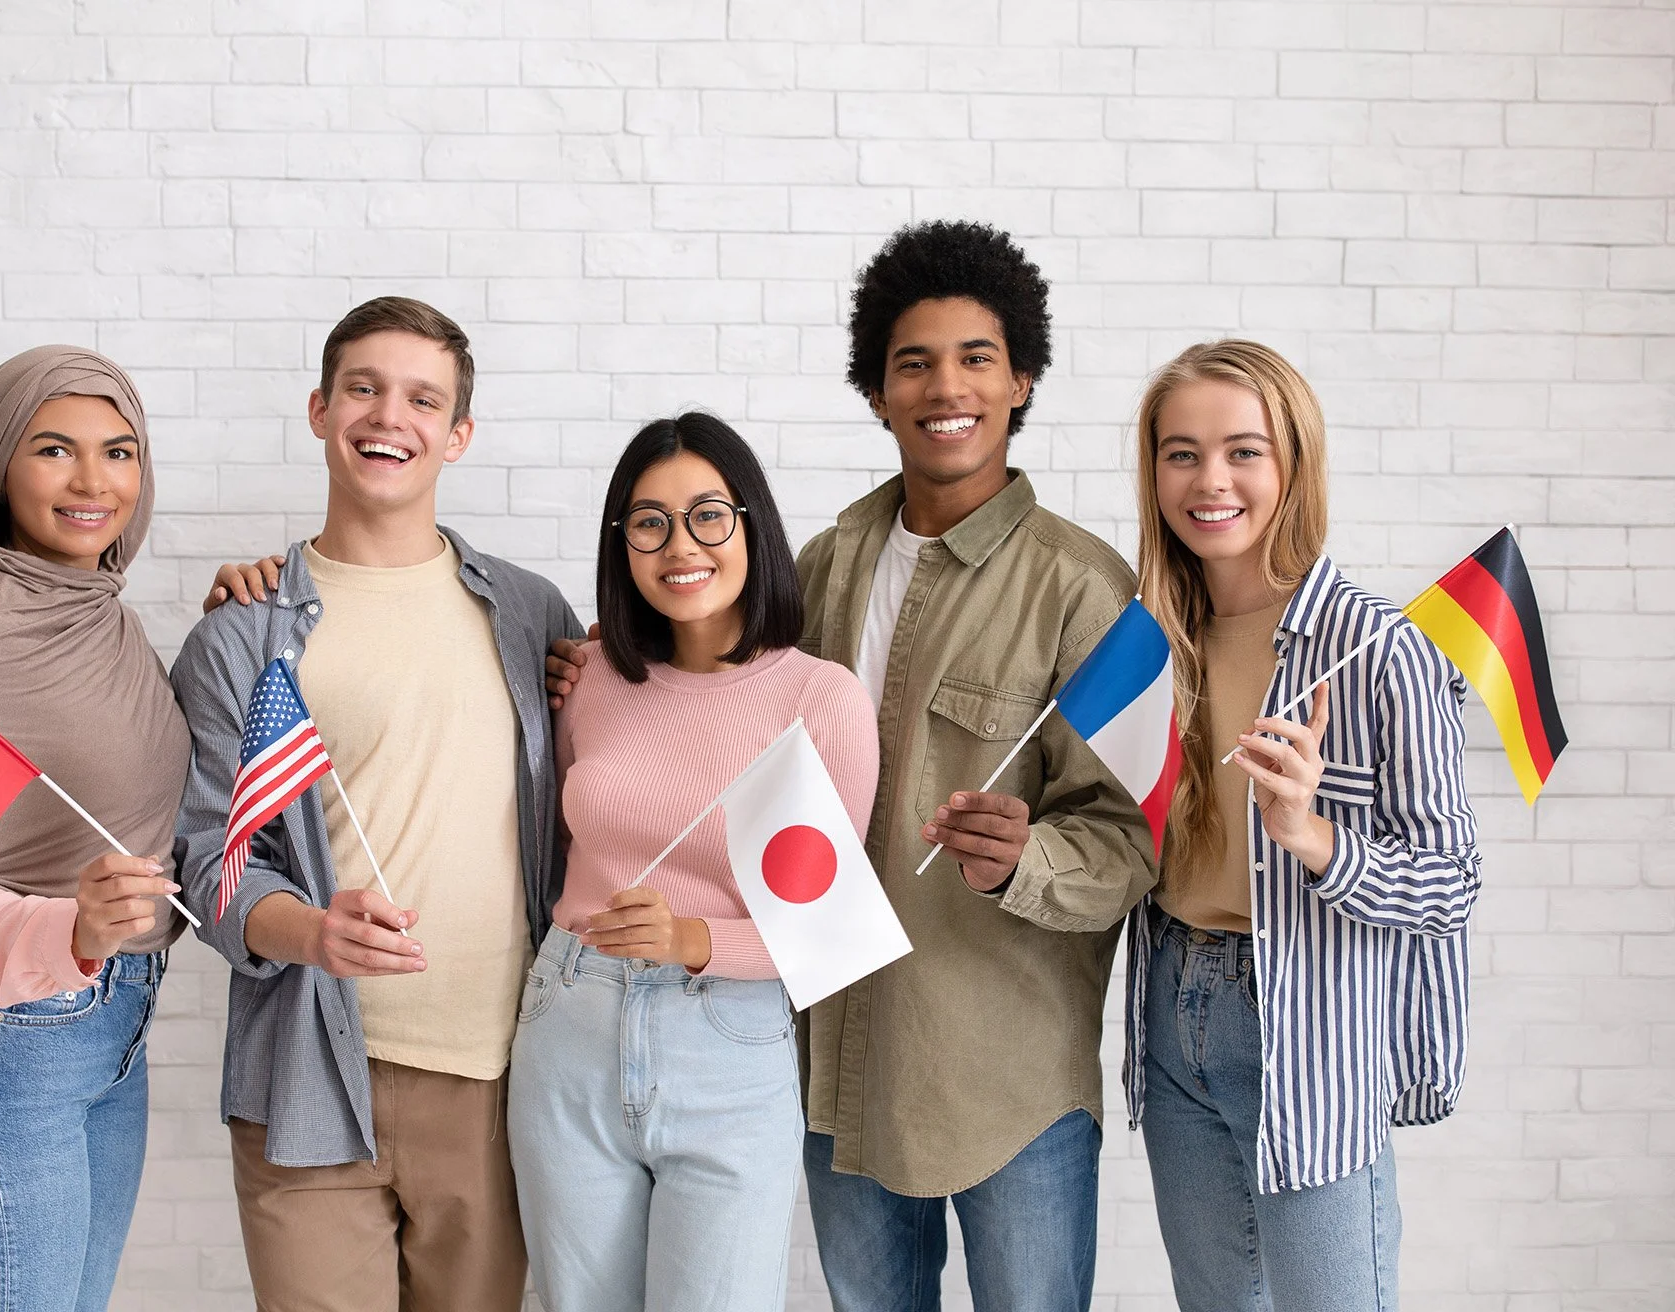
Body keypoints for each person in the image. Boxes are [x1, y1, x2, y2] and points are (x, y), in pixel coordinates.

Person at [550, 220, 1158, 1310]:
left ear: (1021, 378)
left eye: (975, 357)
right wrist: (593, 667)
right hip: (830, 1061)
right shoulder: (821, 566)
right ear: (875, 392)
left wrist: (1026, 855)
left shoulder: (1082, 588)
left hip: (1000, 1070)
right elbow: (703, 684)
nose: (943, 387)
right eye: (911, 363)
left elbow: (1130, 839)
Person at [167, 296, 581, 1311]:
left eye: (420, 397)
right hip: (306, 1076)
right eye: (362, 386)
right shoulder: (242, 636)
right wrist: (307, 929)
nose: (386, 414)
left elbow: (606, 792)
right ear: (318, 408)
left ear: (457, 434)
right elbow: (206, 855)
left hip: (498, 1077)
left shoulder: (529, 614)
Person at [1126, 340, 1481, 1311]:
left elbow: (1450, 881)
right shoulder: (1146, 641)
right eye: (1180, 452)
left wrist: (1313, 838)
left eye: (1242, 450)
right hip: (1168, 998)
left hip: (1306, 1025)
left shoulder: (1379, 648)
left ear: (1293, 461)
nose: (1209, 480)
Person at [509, 413, 878, 1312]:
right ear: (623, 544)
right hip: (570, 1023)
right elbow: (561, 847)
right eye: (649, 522)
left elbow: (827, 939)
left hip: (730, 1044)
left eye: (709, 515)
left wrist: (691, 937)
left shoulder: (819, 699)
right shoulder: (588, 679)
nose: (681, 545)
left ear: (752, 525)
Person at [0, 347, 190, 1311]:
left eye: (120, 451)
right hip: (1, 1050)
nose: (96, 482)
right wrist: (74, 930)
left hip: (110, 1030)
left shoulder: (100, 615)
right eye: (54, 449)